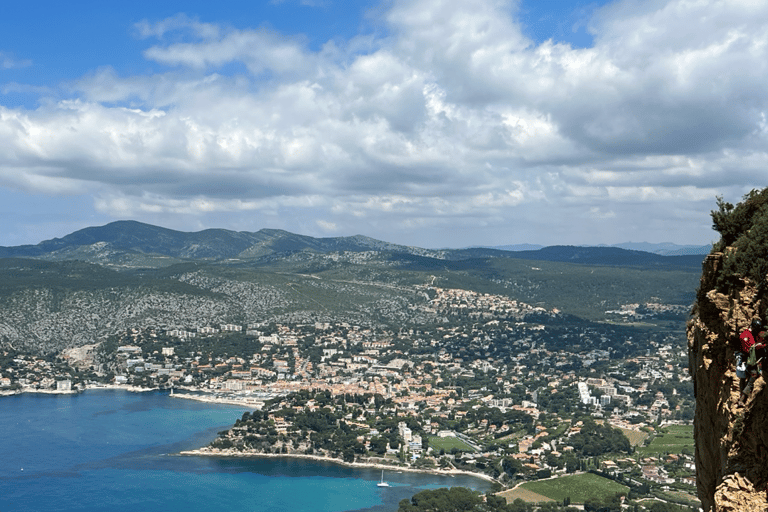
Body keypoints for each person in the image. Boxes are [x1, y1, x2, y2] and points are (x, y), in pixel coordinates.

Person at [739, 318, 766, 405]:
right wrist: (756, 346)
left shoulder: (747, 334)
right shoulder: (746, 335)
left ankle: (741, 398)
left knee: (745, 379)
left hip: (748, 360)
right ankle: (742, 400)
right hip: (750, 361)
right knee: (752, 379)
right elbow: (748, 347)